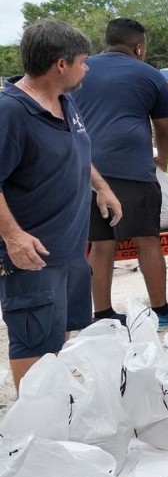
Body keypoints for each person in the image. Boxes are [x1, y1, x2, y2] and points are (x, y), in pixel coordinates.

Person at [0, 19, 123, 388]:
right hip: (33, 256)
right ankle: (34, 427)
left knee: (65, 335)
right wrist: (14, 238)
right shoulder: (11, 112)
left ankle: (57, 405)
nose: (86, 68)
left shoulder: (65, 102)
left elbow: (78, 151)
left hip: (70, 252)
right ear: (61, 65)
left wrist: (101, 187)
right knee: (33, 343)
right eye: (83, 61)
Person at [72, 17, 168, 328]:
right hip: (133, 171)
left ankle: (102, 315)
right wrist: (161, 163)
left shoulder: (79, 70)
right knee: (148, 240)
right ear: (139, 47)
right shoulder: (149, 75)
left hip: (87, 171)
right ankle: (161, 310)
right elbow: (164, 129)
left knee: (100, 245)